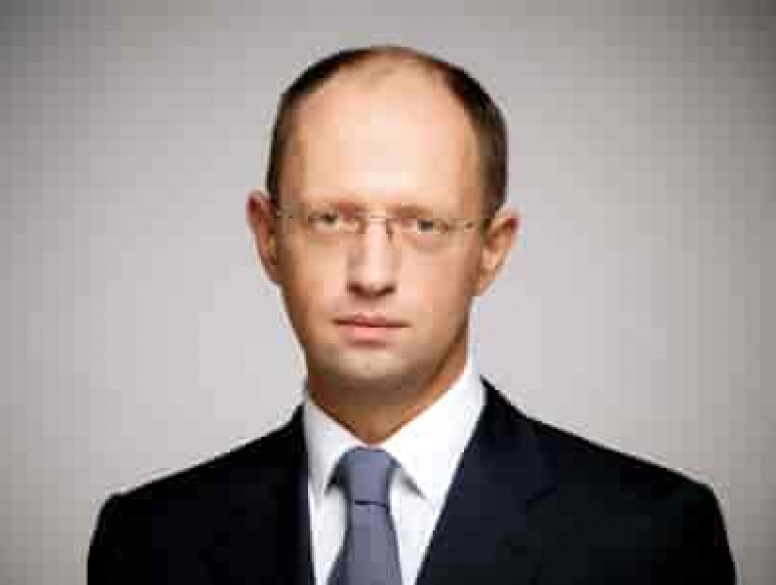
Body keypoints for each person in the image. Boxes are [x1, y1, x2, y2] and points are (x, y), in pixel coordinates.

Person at [88, 45, 736, 585]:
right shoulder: (146, 544)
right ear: (268, 236)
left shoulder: (653, 538)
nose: (372, 274)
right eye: (330, 218)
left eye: (423, 224)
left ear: (492, 249)